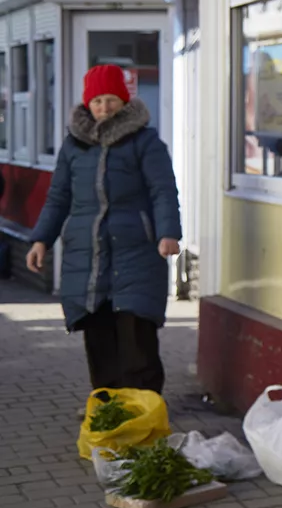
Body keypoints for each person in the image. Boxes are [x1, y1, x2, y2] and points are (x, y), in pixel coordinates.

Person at [27, 64, 182, 396]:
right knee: (99, 342)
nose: (104, 108)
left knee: (136, 340)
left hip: (137, 252)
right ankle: (108, 412)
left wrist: (168, 233)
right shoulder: (74, 146)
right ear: (88, 104)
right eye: (97, 101)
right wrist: (41, 239)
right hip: (88, 257)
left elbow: (163, 190)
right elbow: (58, 197)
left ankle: (143, 416)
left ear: (124, 101)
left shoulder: (145, 142)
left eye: (111, 100)